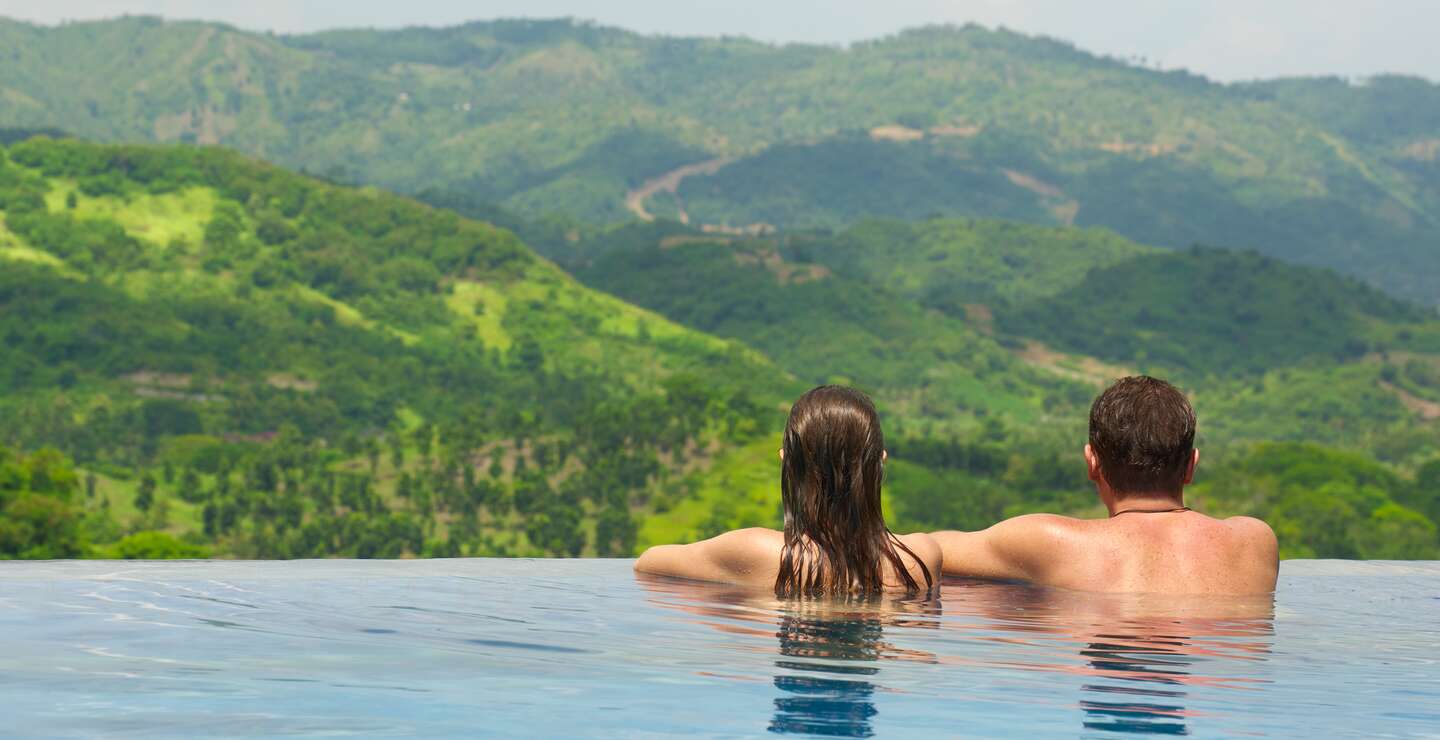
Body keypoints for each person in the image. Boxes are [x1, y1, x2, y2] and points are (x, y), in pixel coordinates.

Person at [932, 376, 1278, 594]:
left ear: (1092, 462)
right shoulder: (1255, 541)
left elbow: (905, 551)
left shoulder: (1050, 544)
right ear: (1191, 465)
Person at [635, 385, 940, 596]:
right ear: (881, 462)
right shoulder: (921, 558)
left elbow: (648, 562)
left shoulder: (758, 552)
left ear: (786, 462)